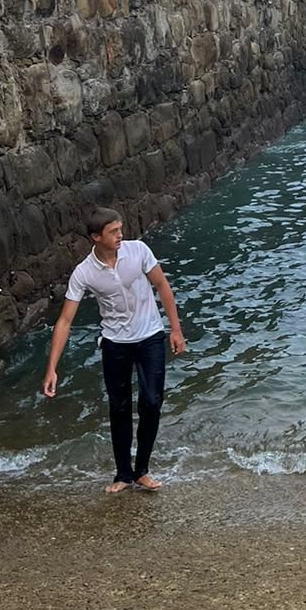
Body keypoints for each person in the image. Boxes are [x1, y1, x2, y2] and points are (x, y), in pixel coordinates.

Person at [41, 206, 186, 494]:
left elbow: (161, 285)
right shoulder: (84, 273)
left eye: (120, 229)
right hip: (115, 343)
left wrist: (176, 329)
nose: (121, 235)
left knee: (151, 402)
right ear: (96, 237)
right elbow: (65, 320)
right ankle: (123, 474)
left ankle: (142, 470)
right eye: (113, 232)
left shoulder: (138, 250)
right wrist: (51, 369)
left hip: (150, 337)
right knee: (119, 407)